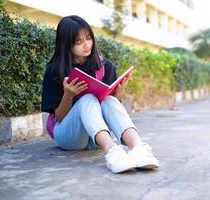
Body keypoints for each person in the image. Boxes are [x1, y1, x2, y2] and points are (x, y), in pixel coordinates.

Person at [41, 15, 159, 173]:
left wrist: (117, 95)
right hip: (69, 137)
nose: (86, 45)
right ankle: (113, 152)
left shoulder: (105, 66)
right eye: (78, 41)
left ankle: (138, 148)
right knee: (87, 98)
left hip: (96, 137)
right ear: (66, 44)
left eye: (89, 38)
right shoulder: (55, 71)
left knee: (109, 100)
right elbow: (60, 118)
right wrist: (68, 95)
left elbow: (107, 108)